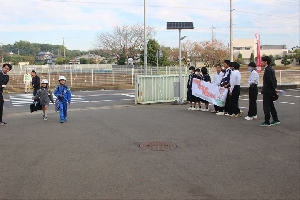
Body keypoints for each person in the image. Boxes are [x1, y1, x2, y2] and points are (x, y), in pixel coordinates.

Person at [260, 56, 280, 127]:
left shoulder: (268, 69)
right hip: (270, 90)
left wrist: (274, 88)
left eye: (262, 61)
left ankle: (267, 121)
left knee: (266, 106)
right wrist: (275, 88)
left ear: (266, 62)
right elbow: (274, 80)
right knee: (271, 106)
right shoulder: (271, 69)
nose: (261, 62)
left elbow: (269, 81)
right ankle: (275, 119)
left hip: (267, 91)